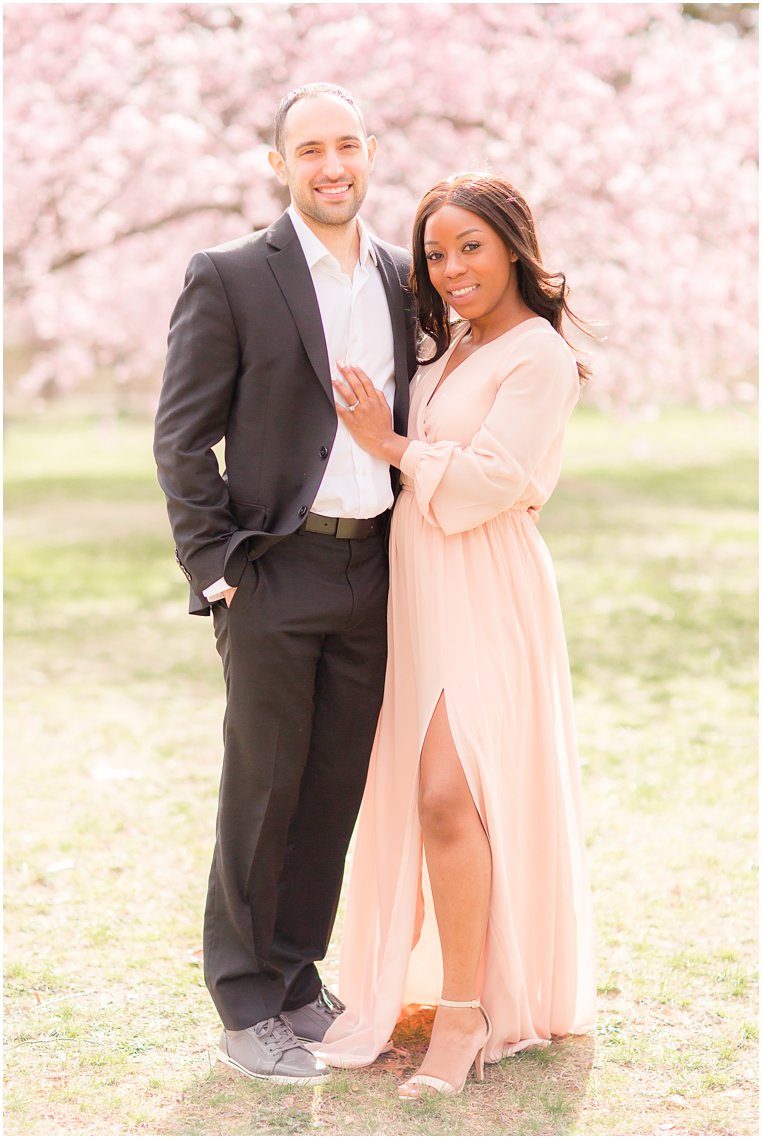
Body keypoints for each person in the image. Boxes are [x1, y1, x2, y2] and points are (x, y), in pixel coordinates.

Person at [153, 83, 416, 1084]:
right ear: (280, 165)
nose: (331, 164)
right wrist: (215, 564)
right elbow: (181, 435)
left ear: (371, 151)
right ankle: (244, 996)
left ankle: (298, 976)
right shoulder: (228, 275)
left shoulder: (401, 276)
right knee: (262, 786)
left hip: (375, 566)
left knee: (331, 788)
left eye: (346, 144)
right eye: (309, 150)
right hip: (274, 565)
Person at [312, 172, 595, 1097]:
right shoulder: (452, 345)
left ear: (513, 244)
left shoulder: (538, 357)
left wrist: (390, 448)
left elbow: (485, 482)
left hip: (489, 580)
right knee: (436, 795)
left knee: (449, 790)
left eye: (469, 245)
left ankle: (468, 1015)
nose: (450, 268)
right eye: (435, 253)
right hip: (422, 583)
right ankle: (446, 989)